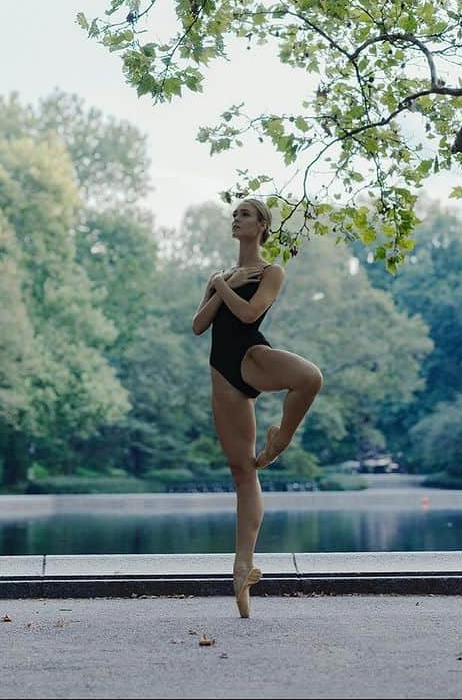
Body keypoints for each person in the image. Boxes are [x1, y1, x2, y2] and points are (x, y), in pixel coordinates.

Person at [191, 197, 323, 618]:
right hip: (222, 373)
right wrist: (218, 282)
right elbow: (198, 326)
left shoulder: (271, 271)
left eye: (244, 214)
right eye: (234, 215)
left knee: (309, 378)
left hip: (250, 356)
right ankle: (242, 570)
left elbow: (248, 315)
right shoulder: (223, 275)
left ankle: (281, 438)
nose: (236, 219)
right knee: (243, 473)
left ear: (262, 225)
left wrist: (225, 284)